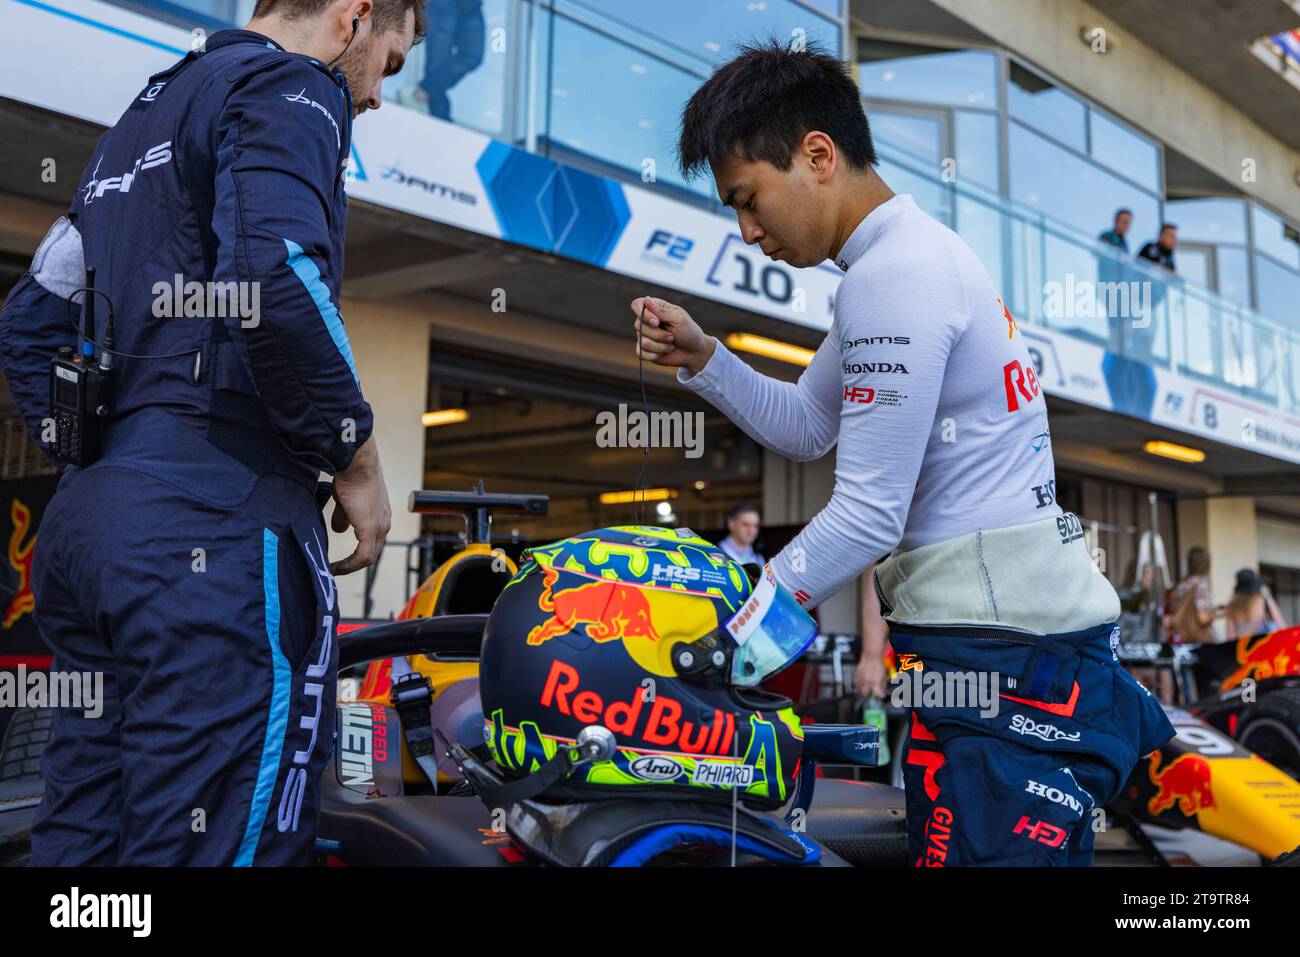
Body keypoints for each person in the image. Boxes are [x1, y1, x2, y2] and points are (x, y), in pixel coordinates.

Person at [630, 39, 1173, 866]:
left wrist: (720, 637)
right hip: (1007, 648)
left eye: (748, 199)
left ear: (818, 155)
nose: (746, 231)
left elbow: (868, 513)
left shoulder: (896, 275)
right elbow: (809, 427)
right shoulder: (904, 260)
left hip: (1004, 658)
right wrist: (708, 358)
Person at [0, 0, 425, 865]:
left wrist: (109, 465)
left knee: (84, 840)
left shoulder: (140, 118)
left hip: (91, 537)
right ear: (353, 18)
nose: (379, 95)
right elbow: (278, 269)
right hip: (216, 528)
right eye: (394, 60)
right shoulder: (293, 89)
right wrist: (356, 454)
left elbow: (29, 319)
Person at [415, 0, 484, 120]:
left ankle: (425, 92)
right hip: (443, 4)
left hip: (472, 5)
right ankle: (438, 118)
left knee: (472, 56)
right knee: (437, 59)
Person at [1162, 546, 1224, 645]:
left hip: (1181, 637)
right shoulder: (1200, 588)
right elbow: (1202, 618)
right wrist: (1219, 613)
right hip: (1198, 640)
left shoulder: (1181, 586)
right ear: (1206, 564)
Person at [1225, 568, 1286, 639]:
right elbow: (1281, 626)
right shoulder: (1263, 599)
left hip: (1242, 648)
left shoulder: (1232, 606)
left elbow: (1230, 637)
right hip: (1263, 645)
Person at [716, 501, 764, 566]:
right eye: (746, 525)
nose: (751, 531)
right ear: (731, 524)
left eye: (755, 526)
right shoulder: (716, 554)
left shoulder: (759, 559)